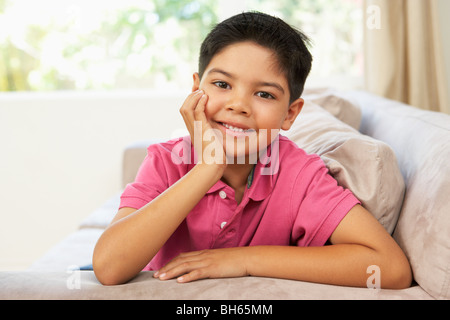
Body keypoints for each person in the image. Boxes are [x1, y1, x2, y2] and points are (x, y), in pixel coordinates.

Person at [92, 12, 412, 288]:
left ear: (290, 113)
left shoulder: (298, 174)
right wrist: (208, 168)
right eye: (222, 85)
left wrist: (242, 259)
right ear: (195, 89)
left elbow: (389, 267)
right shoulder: (166, 161)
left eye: (264, 94)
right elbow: (109, 267)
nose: (238, 105)